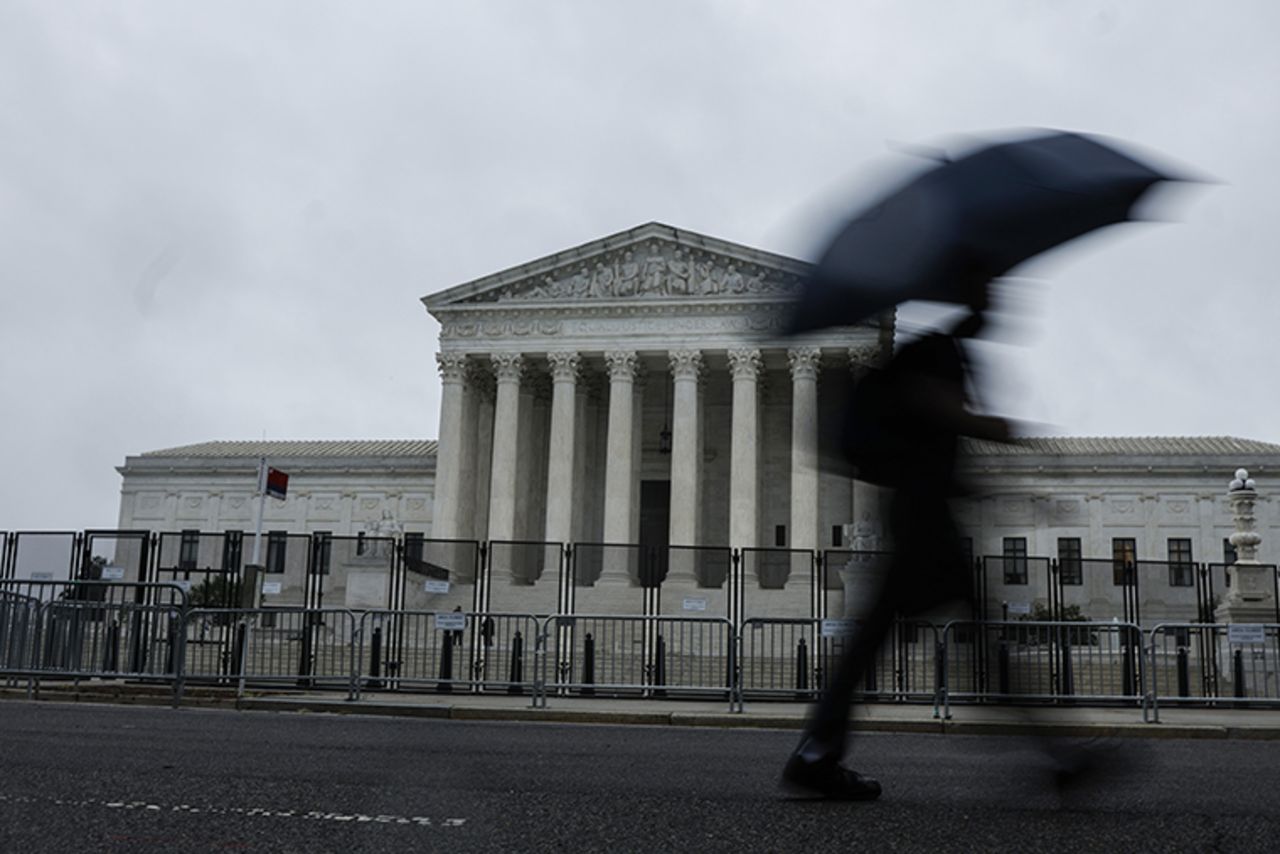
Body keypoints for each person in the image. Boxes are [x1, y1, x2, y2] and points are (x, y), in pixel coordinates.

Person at [782, 274, 1010, 800]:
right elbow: (935, 412)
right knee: (962, 632)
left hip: (920, 515)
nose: (996, 299)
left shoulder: (938, 350)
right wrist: (994, 428)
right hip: (921, 518)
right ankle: (1054, 750)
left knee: (881, 639)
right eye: (989, 288)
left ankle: (817, 749)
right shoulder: (936, 351)